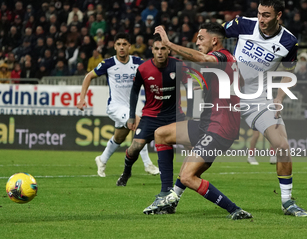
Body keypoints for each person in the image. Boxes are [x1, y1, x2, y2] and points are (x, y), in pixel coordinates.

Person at [141, 23, 252, 220]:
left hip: (219, 129)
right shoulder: (228, 60)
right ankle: (167, 196)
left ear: (214, 41)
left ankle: (235, 210)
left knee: (188, 176)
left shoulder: (222, 56)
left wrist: (168, 43)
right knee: (161, 134)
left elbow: (202, 58)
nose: (197, 42)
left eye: (201, 38)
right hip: (208, 123)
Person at [223, 0, 307, 216]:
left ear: (278, 16)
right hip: (226, 96)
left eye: (266, 15)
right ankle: (173, 193)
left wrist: (279, 98)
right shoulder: (244, 24)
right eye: (259, 13)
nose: (261, 19)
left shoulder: (289, 42)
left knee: (282, 146)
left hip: (258, 100)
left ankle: (287, 202)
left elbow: (288, 74)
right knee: (199, 148)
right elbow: (213, 36)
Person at [76, 32, 159, 178]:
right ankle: (148, 164)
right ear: (114, 46)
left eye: (124, 44)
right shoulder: (108, 63)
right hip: (115, 106)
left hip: (130, 107)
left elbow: (153, 73)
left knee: (119, 138)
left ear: (129, 46)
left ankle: (101, 159)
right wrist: (82, 98)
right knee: (139, 124)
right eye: (119, 44)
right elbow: (89, 76)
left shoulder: (138, 62)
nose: (121, 47)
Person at [115, 34, 187, 187]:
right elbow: (134, 92)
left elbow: (191, 87)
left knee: (194, 146)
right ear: (152, 50)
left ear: (168, 50)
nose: (160, 52)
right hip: (151, 116)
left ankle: (185, 178)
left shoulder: (178, 65)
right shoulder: (143, 69)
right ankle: (126, 172)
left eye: (163, 48)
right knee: (135, 147)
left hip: (175, 116)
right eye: (156, 49)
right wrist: (131, 117)